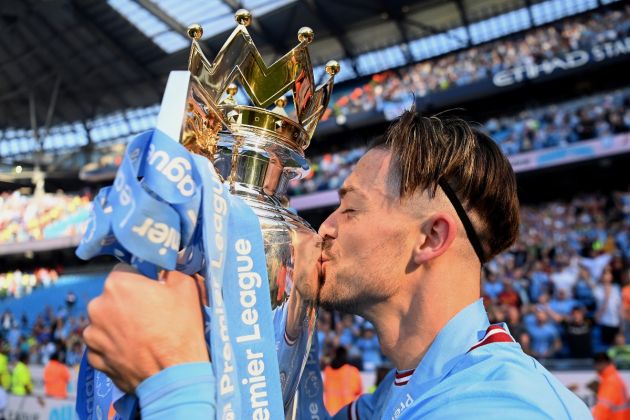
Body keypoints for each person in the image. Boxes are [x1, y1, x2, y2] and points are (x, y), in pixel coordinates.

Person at [83, 111, 591, 418]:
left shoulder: (504, 407)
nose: (324, 228)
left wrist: (173, 379)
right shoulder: (400, 396)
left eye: (350, 208)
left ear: (431, 237)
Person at [323, 346, 363, 415]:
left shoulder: (327, 371)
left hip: (331, 412)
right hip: (347, 412)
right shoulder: (353, 371)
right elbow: (358, 390)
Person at [592, 352, 630, 419]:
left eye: (596, 364)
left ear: (603, 363)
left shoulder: (610, 381)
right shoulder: (614, 377)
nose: (595, 367)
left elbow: (603, 407)